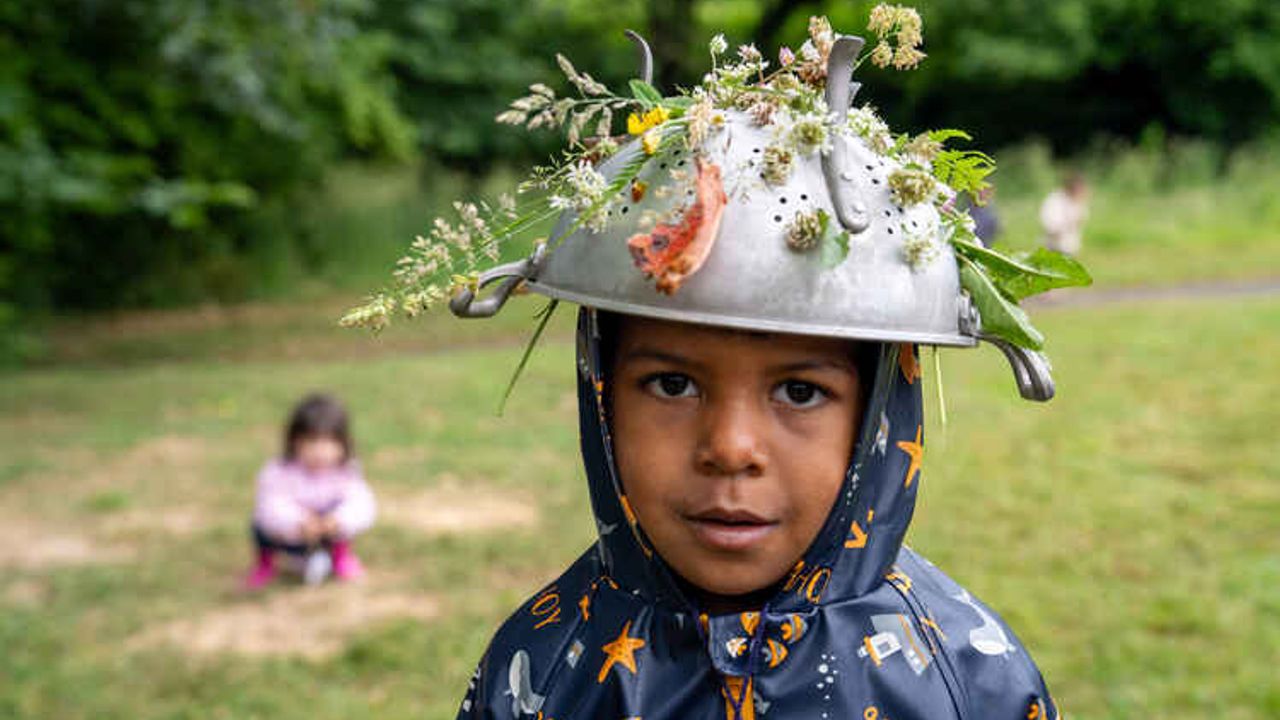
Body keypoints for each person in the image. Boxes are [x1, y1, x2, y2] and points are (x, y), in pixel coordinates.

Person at [350, 10, 1076, 718]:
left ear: (881, 416)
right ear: (600, 390)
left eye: (799, 390)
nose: (730, 449)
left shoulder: (964, 682)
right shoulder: (543, 670)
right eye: (672, 384)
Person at [243, 393, 375, 590]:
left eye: (329, 442)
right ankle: (265, 564)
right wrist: (298, 521)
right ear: (295, 441)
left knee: (342, 510)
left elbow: (362, 503)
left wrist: (339, 519)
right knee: (258, 524)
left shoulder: (345, 471)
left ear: (344, 443)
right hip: (290, 533)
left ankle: (341, 557)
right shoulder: (279, 471)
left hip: (328, 531)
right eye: (312, 442)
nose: (320, 452)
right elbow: (270, 505)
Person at [1040, 172, 1090, 255]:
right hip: (1053, 247)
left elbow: (1080, 220)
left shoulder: (1078, 202)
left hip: (1070, 247)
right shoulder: (1055, 200)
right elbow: (1050, 225)